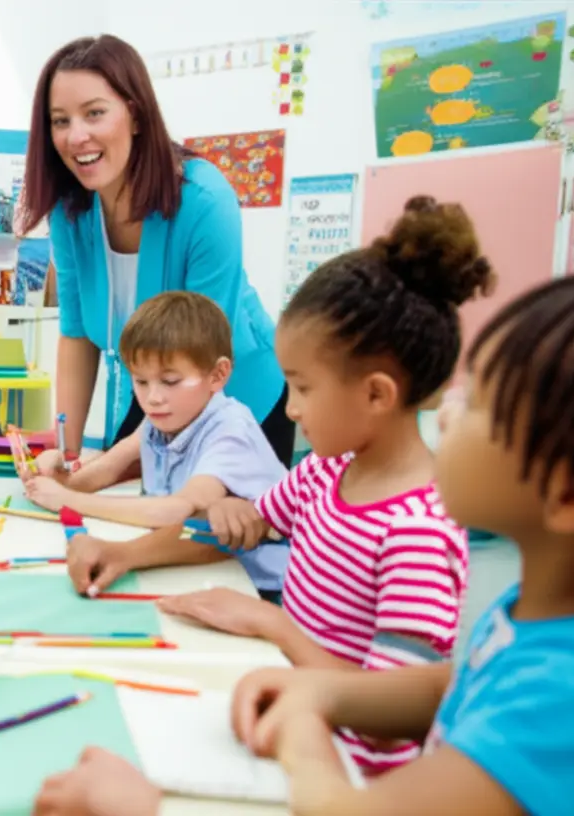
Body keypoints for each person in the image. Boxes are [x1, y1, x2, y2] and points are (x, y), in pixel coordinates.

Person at [37, 271, 574, 816]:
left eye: (479, 405)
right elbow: (446, 687)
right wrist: (131, 552)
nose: (444, 420)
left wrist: (288, 681)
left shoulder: (572, 690)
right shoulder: (535, 607)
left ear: (569, 493)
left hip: (344, 773)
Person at [156, 196, 490, 775]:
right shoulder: (325, 471)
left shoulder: (417, 531)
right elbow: (257, 520)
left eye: (303, 388)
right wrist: (237, 513)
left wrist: (269, 622)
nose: (290, 408)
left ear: (376, 395)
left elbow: (384, 720)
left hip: (350, 773)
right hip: (297, 721)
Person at [19, 34, 290, 471]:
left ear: (137, 115)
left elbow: (202, 357)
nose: (77, 136)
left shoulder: (203, 200)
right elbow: (77, 336)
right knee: (115, 507)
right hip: (155, 395)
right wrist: (66, 451)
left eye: (95, 113)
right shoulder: (70, 214)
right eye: (60, 120)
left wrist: (106, 467)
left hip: (238, 398)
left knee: (210, 530)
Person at [20, 291, 288, 600]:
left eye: (170, 381)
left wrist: (66, 498)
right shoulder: (163, 419)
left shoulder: (230, 431)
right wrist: (53, 479)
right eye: (141, 382)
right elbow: (104, 472)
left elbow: (180, 509)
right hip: (205, 571)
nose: (153, 397)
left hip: (265, 589)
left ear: (217, 375)